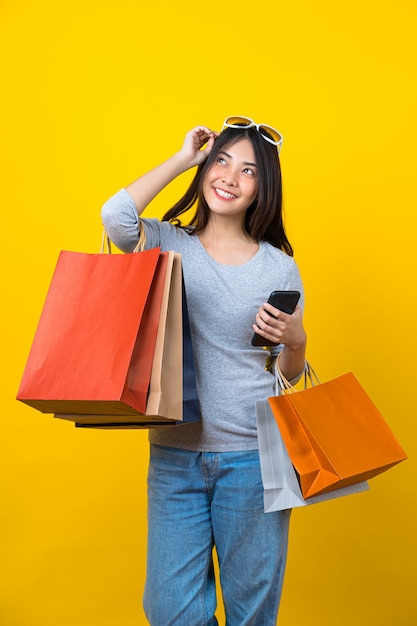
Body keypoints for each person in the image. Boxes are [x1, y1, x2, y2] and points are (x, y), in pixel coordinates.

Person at [101, 116, 307, 625]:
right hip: (176, 458)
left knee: (252, 611)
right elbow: (115, 217)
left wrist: (296, 340)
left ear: (264, 189)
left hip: (255, 461)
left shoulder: (277, 267)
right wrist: (183, 158)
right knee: (170, 610)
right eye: (222, 160)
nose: (230, 178)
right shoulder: (167, 244)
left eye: (248, 171)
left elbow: (289, 374)